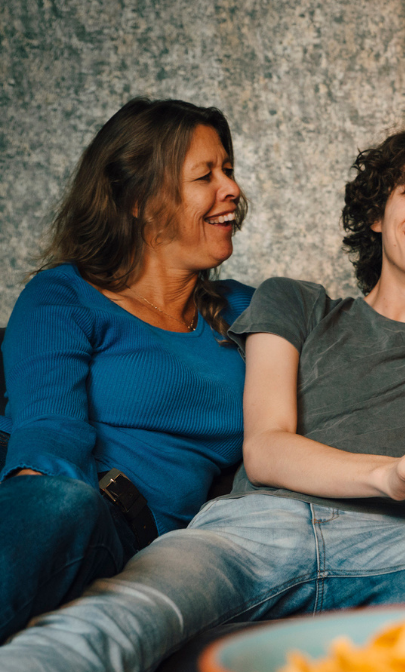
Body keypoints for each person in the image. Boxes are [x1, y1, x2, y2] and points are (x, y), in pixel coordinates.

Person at [0, 127, 405, 672]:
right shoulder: (292, 301)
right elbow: (264, 449)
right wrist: (390, 473)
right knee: (119, 620)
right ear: (376, 216)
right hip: (250, 530)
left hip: (401, 543)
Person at [0, 98, 253, 640]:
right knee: (63, 502)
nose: (231, 189)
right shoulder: (64, 295)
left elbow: (363, 340)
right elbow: (49, 431)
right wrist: (46, 522)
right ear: (138, 200)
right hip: (64, 504)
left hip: (147, 544)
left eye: (228, 169)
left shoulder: (249, 312)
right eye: (204, 175)